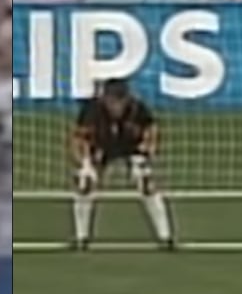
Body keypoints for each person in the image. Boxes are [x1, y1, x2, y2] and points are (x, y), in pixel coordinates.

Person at [70, 78, 174, 250]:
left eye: (120, 101)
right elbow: (78, 137)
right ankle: (82, 237)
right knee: (85, 184)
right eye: (112, 101)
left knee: (146, 183)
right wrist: (84, 162)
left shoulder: (137, 109)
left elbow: (152, 130)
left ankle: (166, 237)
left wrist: (147, 152)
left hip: (131, 147)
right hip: (101, 147)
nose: (116, 106)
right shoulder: (91, 110)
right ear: (104, 98)